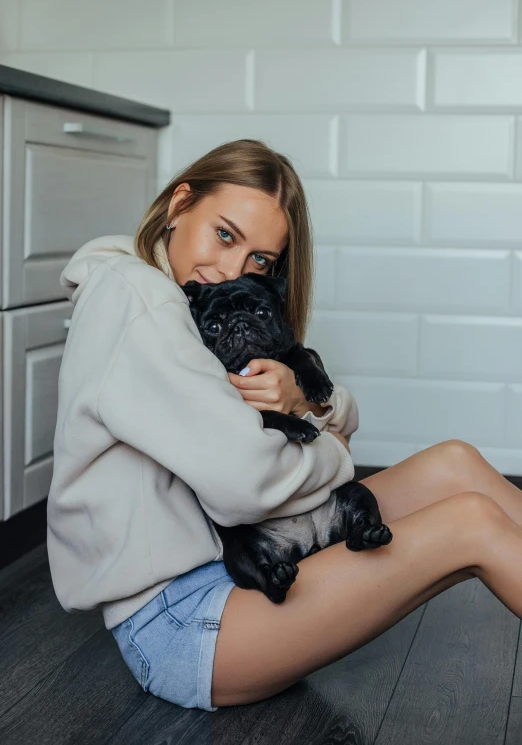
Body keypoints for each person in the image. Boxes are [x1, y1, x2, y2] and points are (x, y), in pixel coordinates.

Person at [47, 138, 522, 714]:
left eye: (260, 261)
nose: (231, 271)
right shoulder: (139, 301)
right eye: (224, 234)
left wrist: (307, 400)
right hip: (186, 622)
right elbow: (247, 481)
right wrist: (335, 451)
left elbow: (309, 404)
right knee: (469, 523)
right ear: (179, 205)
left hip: (240, 565)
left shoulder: (184, 301)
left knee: (456, 463)